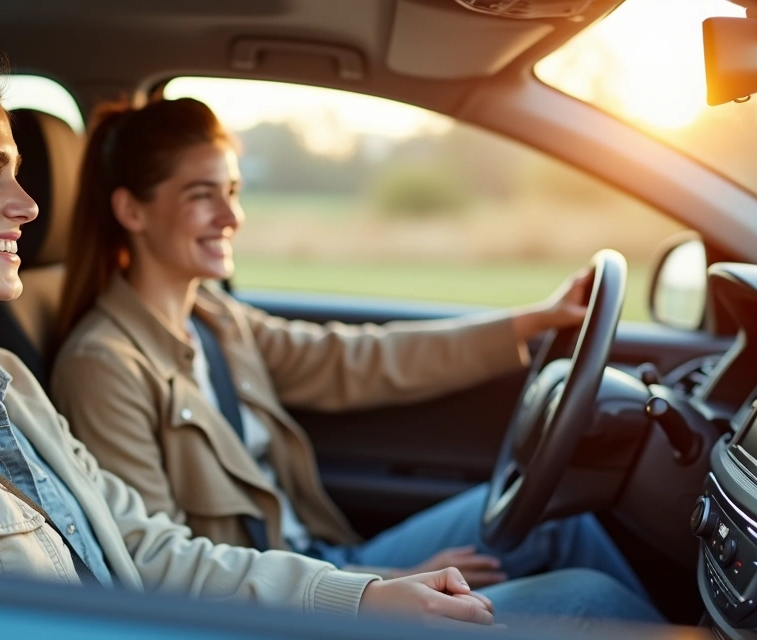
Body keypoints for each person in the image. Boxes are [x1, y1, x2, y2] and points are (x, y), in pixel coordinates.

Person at [0, 46, 656, 630]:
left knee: (584, 582)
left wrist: (363, 597)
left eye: (19, 174)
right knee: (584, 599)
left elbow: (149, 549)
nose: (28, 207)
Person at [50, 98, 650, 603]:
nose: (232, 216)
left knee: (559, 518)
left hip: (326, 562)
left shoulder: (216, 320)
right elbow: (160, 567)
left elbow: (356, 358)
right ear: (131, 210)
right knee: (586, 600)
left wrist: (530, 322)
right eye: (202, 195)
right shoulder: (103, 367)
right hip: (283, 604)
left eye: (232, 190)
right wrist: (377, 585)